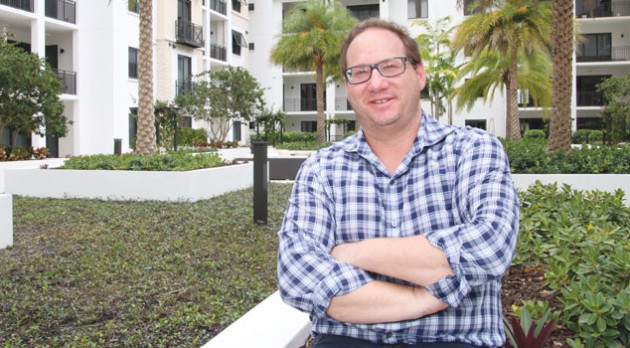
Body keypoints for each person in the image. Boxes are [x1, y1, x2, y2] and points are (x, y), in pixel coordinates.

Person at [277, 18, 519, 348]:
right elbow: (297, 274)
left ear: (418, 74)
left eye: (390, 67)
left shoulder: (473, 150)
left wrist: (352, 253)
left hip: (455, 341)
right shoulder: (322, 170)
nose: (375, 83)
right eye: (360, 72)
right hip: (347, 341)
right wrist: (423, 299)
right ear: (348, 88)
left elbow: (489, 247)